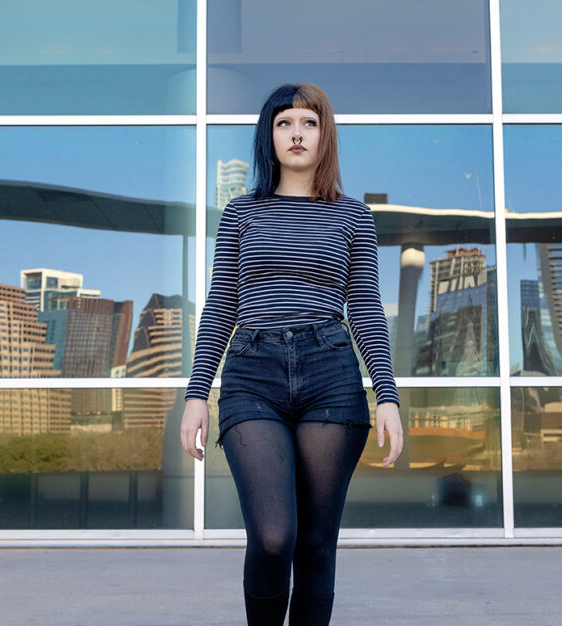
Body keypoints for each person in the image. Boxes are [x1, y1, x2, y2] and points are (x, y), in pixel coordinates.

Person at [180, 83, 403, 626]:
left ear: (325, 136)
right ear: (269, 136)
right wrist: (196, 394)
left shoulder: (353, 217)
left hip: (330, 373)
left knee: (316, 545)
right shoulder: (241, 213)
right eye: (284, 124)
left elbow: (367, 310)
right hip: (252, 374)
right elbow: (220, 306)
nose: (297, 133)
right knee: (275, 537)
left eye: (308, 122)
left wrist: (387, 397)